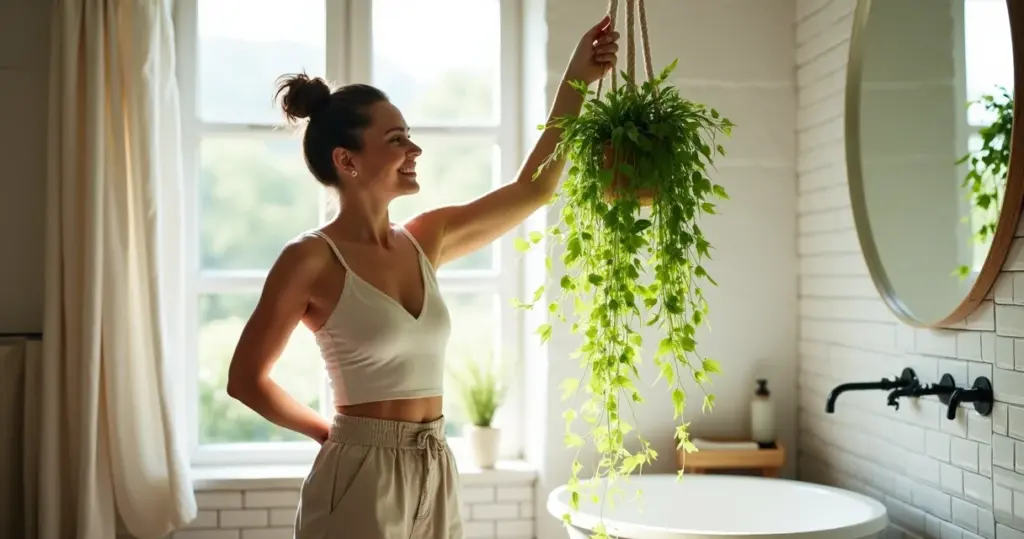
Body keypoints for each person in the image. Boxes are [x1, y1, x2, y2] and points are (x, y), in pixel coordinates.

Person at [224, 15, 620, 539]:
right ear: (348, 160)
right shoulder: (310, 259)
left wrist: (577, 81)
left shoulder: (425, 239)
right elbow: (245, 380)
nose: (414, 151)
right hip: (359, 474)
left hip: (436, 463)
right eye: (396, 139)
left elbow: (534, 190)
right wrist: (336, 436)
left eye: (409, 136)